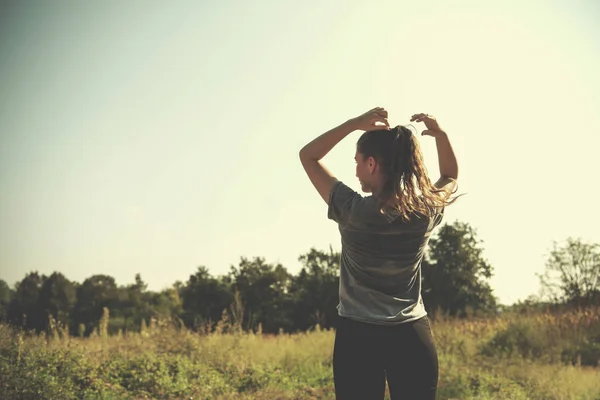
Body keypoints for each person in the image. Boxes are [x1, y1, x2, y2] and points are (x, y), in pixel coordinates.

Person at [298, 107, 459, 399]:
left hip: (357, 337)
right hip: (412, 337)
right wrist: (441, 136)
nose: (356, 169)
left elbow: (308, 155)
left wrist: (352, 124)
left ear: (371, 164)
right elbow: (449, 175)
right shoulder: (424, 212)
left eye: (358, 161)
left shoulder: (352, 211)